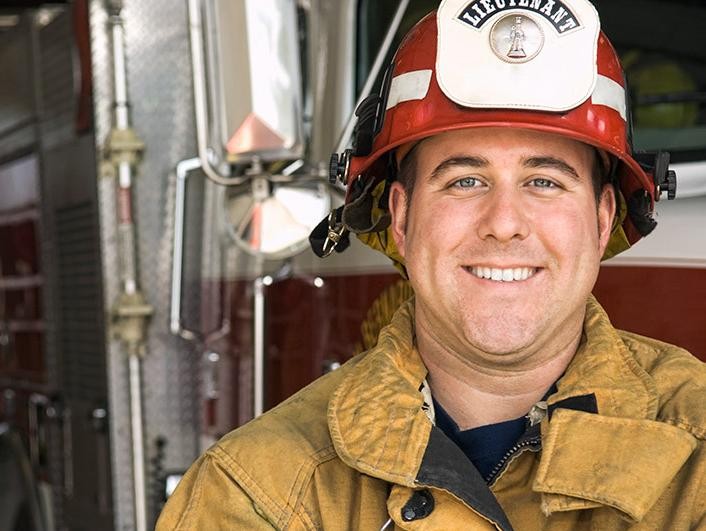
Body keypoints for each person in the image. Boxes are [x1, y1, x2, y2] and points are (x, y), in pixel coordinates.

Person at [157, 0, 705, 529]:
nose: (504, 222)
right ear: (401, 215)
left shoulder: (695, 463)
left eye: (544, 181)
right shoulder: (258, 493)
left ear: (603, 217)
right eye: (465, 180)